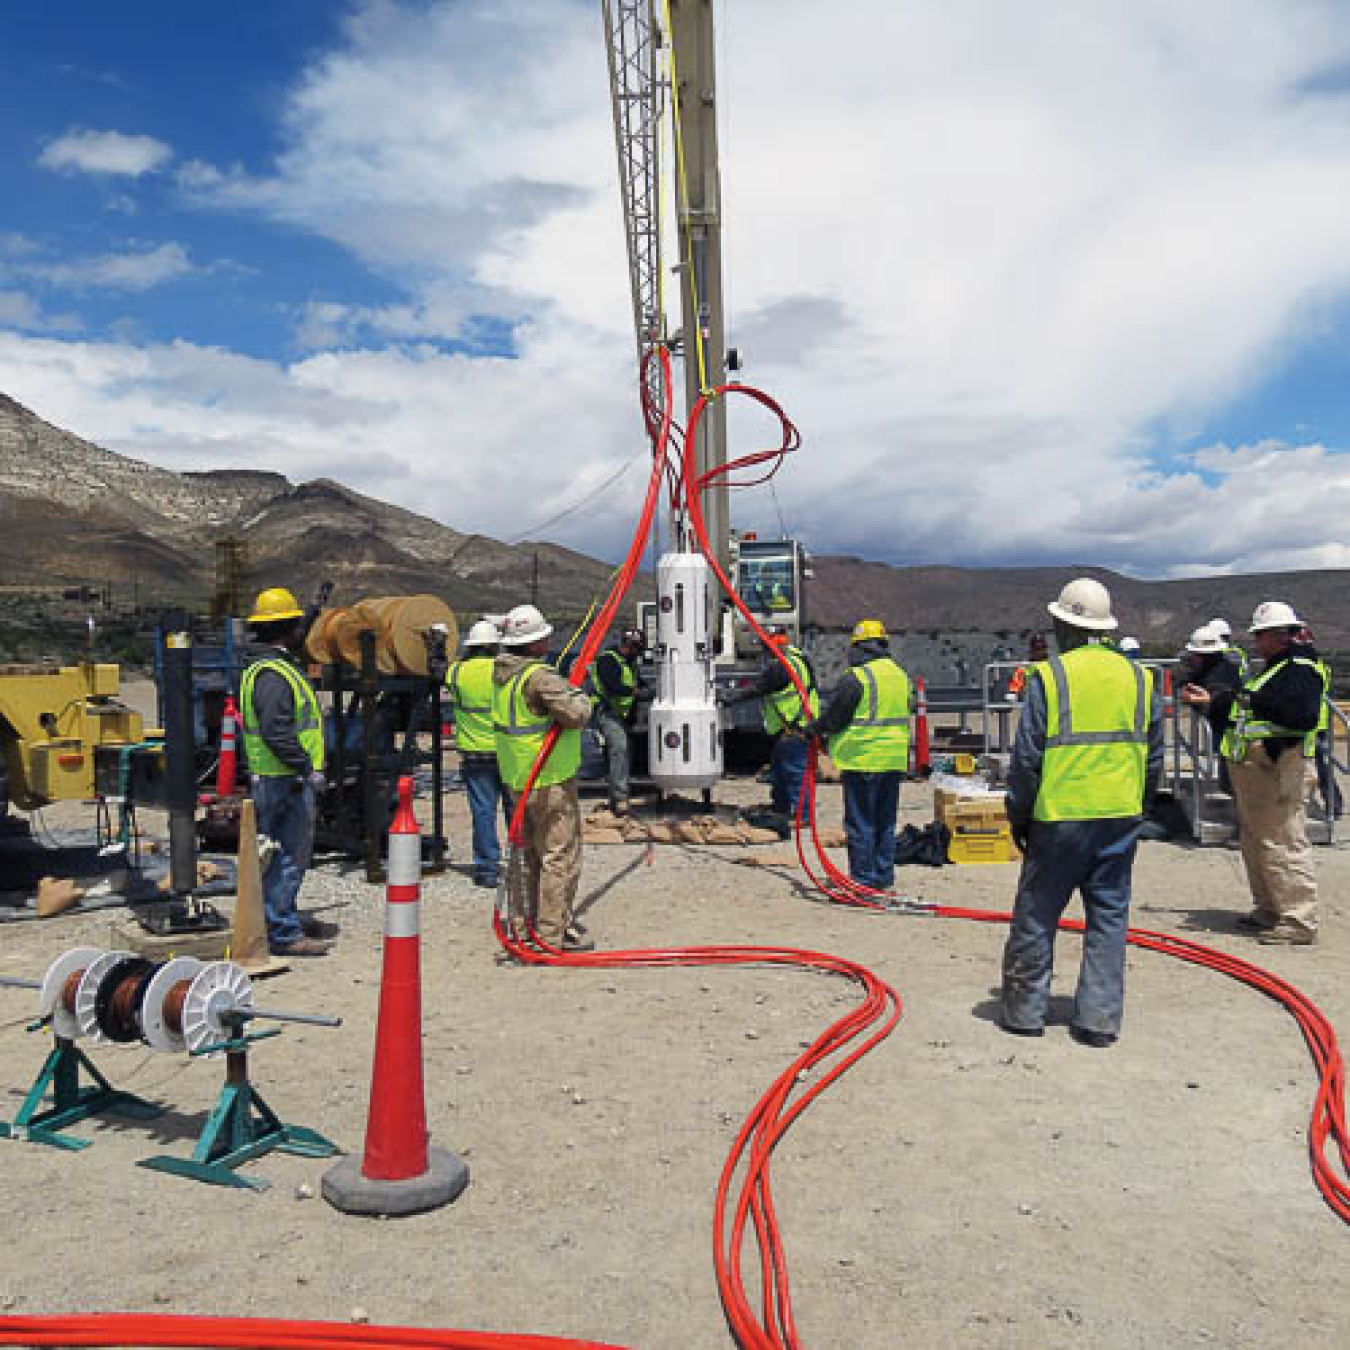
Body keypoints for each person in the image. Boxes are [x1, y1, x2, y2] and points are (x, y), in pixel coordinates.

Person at [1000, 577, 1163, 1048]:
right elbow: (1153, 756)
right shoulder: (1140, 678)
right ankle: (1098, 1020)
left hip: (1059, 819)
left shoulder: (1050, 677)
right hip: (1119, 816)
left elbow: (1027, 760)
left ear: (1062, 624)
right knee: (1109, 918)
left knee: (1037, 914)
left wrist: (1020, 815)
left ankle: (1024, 1012)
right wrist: (1141, 807)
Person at [1181, 602, 1322, 945]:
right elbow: (1248, 711)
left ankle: (1298, 920)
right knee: (1257, 841)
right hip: (1259, 771)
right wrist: (1214, 704)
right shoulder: (1275, 668)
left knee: (1283, 842)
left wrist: (1244, 699)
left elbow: (1298, 715)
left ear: (1279, 636)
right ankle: (1270, 909)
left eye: (1261, 635)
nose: (1256, 642)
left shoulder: (1299, 668)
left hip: (1279, 767)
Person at [493, 603, 595, 951]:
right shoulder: (538, 678)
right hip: (550, 781)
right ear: (535, 643)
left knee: (526, 859)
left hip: (519, 781)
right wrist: (579, 694)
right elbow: (577, 713)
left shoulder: (504, 675)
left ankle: (523, 927)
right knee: (558, 857)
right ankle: (551, 934)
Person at [239, 586, 332, 957]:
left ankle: (281, 916)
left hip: (277, 777)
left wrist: (313, 608)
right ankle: (282, 932)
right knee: (287, 855)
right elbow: (276, 730)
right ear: (286, 629)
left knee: (277, 854)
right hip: (285, 779)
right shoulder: (274, 675)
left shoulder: (265, 665)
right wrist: (305, 766)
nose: (302, 632)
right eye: (297, 625)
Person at [805, 618, 910, 890]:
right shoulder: (900, 676)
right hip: (893, 760)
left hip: (864, 759)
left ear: (859, 648)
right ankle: (883, 878)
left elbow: (835, 717)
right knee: (885, 822)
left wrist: (813, 729)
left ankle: (863, 881)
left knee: (861, 823)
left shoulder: (858, 678)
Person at [729, 628, 819, 836]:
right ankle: (782, 808)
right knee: (780, 773)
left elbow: (760, 687)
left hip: (793, 728)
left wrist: (731, 698)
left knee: (795, 773)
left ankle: (802, 814)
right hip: (792, 726)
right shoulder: (798, 659)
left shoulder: (781, 666)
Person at [447, 618, 508, 888]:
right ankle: (522, 864)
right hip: (508, 753)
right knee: (515, 811)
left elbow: (435, 670)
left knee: (483, 812)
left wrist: (436, 644)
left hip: (475, 755)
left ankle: (487, 869)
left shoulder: (457, 672)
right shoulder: (504, 670)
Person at [587, 627, 649, 816]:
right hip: (608, 712)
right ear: (627, 645)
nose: (637, 653)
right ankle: (620, 799)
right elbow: (612, 686)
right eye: (636, 648)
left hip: (623, 715)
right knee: (619, 750)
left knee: (621, 754)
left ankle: (616, 796)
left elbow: (637, 682)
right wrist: (636, 692)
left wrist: (648, 690)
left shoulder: (629, 662)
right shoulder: (608, 660)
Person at [1298, 627, 1341, 820]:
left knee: (1316, 764)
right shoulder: (1319, 664)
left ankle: (1333, 804)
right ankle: (1334, 804)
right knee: (1320, 764)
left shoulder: (1308, 665)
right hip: (1318, 721)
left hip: (1311, 722)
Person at [1006, 633, 1048, 700]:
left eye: (1042, 648)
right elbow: (1014, 686)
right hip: (1031, 699)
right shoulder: (1024, 665)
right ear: (1031, 650)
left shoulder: (1052, 664)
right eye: (1037, 648)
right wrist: (1010, 700)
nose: (1040, 651)